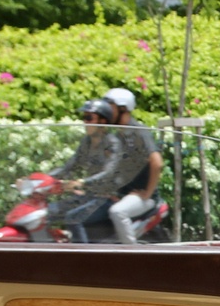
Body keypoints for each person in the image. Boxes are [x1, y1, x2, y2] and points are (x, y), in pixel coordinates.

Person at [49, 97, 151, 241]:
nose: (85, 122)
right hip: (88, 195)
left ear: (102, 121)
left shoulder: (113, 143)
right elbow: (71, 165)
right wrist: (43, 178)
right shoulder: (86, 142)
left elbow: (108, 172)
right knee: (49, 211)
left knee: (74, 219)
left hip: (106, 198)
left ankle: (84, 255)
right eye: (84, 118)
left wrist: (82, 182)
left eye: (89, 118)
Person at [103, 87, 163, 242]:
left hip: (142, 196)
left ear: (123, 109)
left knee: (118, 212)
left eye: (110, 107)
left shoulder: (138, 132)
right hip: (124, 194)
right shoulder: (119, 135)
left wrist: (147, 194)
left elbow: (157, 163)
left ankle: (131, 252)